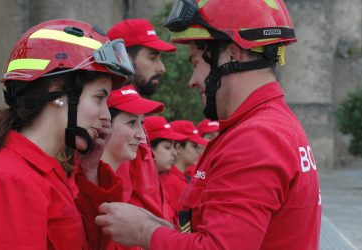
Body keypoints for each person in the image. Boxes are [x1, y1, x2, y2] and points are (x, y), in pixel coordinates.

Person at [95, 0, 322, 249]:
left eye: (195, 64)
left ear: (232, 55)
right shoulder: (274, 125)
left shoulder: (255, 138)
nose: (192, 81)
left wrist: (145, 232)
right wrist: (163, 230)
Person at [0, 19, 135, 249]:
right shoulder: (8, 182)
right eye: (99, 98)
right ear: (58, 91)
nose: (106, 117)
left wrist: (91, 173)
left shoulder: (43, 171)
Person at [105, 18, 177, 223]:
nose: (161, 68)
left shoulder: (135, 113)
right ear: (125, 57)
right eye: (153, 57)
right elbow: (119, 199)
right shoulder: (113, 113)